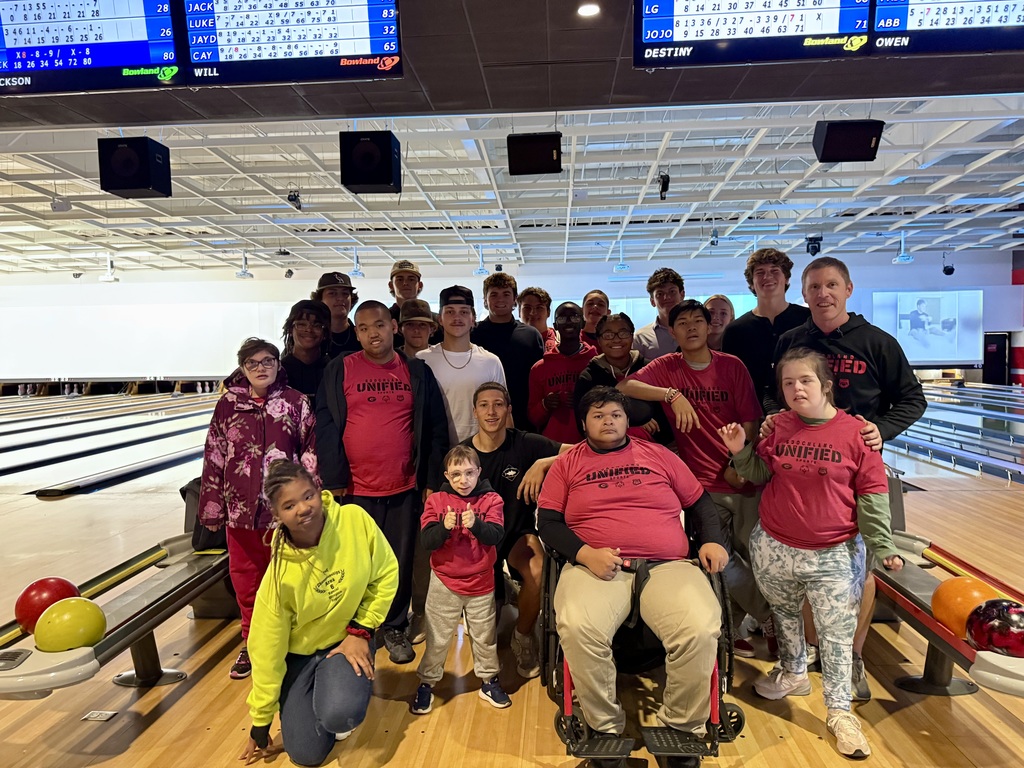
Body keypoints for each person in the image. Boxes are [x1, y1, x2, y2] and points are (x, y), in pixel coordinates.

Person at [719, 349, 903, 760]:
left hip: (833, 553)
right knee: (784, 615)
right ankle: (794, 673)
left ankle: (839, 712)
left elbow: (872, 497)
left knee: (836, 635)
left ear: (825, 385)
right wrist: (739, 450)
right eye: (787, 382)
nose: (795, 389)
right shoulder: (779, 425)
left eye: (804, 380)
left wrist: (883, 545)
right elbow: (761, 473)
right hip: (775, 545)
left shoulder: (858, 434)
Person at [538, 387, 729, 768]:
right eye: (597, 415)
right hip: (596, 565)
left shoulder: (659, 455)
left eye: (614, 414)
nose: (607, 421)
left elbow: (700, 502)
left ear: (627, 420)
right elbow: (549, 523)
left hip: (667, 564)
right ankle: (604, 728)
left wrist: (712, 541)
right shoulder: (567, 464)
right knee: (576, 626)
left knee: (701, 627)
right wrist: (585, 554)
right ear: (583, 423)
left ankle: (680, 729)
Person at [769, 256, 926, 700]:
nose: (823, 294)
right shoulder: (791, 340)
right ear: (803, 293)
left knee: (862, 568)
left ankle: (853, 655)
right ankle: (818, 650)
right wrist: (771, 419)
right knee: (802, 566)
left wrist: (884, 428)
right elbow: (772, 391)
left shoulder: (877, 342)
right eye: (814, 286)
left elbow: (913, 399)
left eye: (831, 285)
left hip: (858, 473)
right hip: (802, 472)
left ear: (848, 289)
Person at [617, 300, 772, 658]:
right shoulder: (668, 367)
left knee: (757, 558)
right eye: (682, 323)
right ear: (672, 332)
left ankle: (735, 630)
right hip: (702, 484)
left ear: (709, 326)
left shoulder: (731, 366)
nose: (690, 328)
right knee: (723, 561)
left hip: (743, 479)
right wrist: (672, 394)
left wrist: (740, 460)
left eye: (697, 321)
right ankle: (772, 617)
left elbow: (750, 418)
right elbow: (625, 387)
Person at [315, 300, 449, 665]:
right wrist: (334, 478)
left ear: (394, 326)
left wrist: (430, 480)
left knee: (398, 560)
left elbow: (435, 428)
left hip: (404, 485)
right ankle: (355, 626)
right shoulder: (339, 369)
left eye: (379, 325)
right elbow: (325, 426)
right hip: (353, 488)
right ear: (356, 332)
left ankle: (393, 625)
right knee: (354, 560)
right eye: (363, 327)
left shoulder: (416, 372)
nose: (372, 333)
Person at [239, 460, 398, 768]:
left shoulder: (353, 520)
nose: (303, 508)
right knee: (304, 754)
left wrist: (361, 630)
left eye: (308, 495)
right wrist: (260, 719)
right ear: (276, 515)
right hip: (299, 656)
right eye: (289, 505)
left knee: (341, 713)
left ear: (318, 490)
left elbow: (386, 573)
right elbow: (266, 649)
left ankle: (338, 695)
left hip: (347, 638)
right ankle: (317, 695)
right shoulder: (278, 575)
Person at [199, 338, 318, 680]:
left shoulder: (296, 402)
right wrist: (211, 507)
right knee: (247, 580)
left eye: (268, 361)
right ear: (242, 368)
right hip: (239, 510)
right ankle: (252, 644)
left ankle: (291, 641)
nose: (261, 367)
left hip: (285, 513)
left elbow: (311, 453)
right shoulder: (227, 406)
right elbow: (214, 455)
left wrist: (313, 500)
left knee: (288, 579)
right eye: (253, 363)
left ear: (279, 364)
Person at [464, 382, 569, 679]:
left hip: (516, 534)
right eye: (484, 405)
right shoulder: (463, 454)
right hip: (478, 542)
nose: (491, 411)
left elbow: (582, 451)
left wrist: (544, 462)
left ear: (509, 410)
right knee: (482, 637)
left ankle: (523, 635)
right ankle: (499, 593)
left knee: (537, 571)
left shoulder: (525, 443)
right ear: (474, 412)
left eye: (498, 404)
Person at [412, 445, 511, 714]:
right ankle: (426, 683)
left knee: (484, 636)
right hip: (444, 582)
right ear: (447, 475)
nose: (463, 480)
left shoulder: (492, 500)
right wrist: (444, 528)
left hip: (481, 582)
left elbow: (495, 536)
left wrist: (475, 525)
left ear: (479, 472)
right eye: (456, 474)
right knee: (438, 637)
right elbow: (426, 541)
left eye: (469, 473)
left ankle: (489, 680)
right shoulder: (436, 501)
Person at [722, 248, 811, 411]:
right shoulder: (735, 331)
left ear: (787, 279)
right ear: (751, 283)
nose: (767, 277)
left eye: (774, 271)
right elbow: (731, 382)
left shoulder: (808, 320)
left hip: (804, 412)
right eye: (760, 272)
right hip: (752, 417)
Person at [418, 285, 506, 444]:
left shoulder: (490, 362)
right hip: (436, 452)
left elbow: (503, 413)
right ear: (440, 319)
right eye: (450, 311)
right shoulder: (423, 360)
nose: (457, 318)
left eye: (464, 312)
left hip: (482, 452)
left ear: (473, 319)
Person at [574, 312, 670, 444]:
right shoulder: (589, 377)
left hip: (653, 448)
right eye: (608, 335)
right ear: (599, 340)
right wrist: (633, 426)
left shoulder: (650, 369)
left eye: (623, 333)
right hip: (608, 452)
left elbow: (666, 417)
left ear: (632, 336)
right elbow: (583, 425)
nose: (616, 339)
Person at [471, 272, 544, 431]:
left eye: (506, 294)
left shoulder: (531, 335)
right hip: (483, 416)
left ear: (514, 300)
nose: (500, 300)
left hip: (523, 417)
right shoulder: (472, 334)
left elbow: (539, 380)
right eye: (494, 295)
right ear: (485, 301)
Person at [527, 301, 596, 444]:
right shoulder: (539, 368)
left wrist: (581, 401)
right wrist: (546, 404)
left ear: (583, 323)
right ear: (555, 325)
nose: (569, 322)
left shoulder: (596, 363)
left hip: (591, 443)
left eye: (575, 317)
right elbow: (533, 417)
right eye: (562, 318)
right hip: (552, 445)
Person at [280, 299, 330, 408]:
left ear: (325, 333)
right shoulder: (278, 372)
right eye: (301, 324)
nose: (309, 330)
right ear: (290, 330)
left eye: (317, 325)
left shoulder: (334, 370)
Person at [633, 267, 686, 360]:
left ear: (682, 295)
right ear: (652, 301)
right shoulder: (640, 338)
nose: (667, 297)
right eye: (660, 294)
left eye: (672, 291)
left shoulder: (695, 330)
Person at [312, 272, 361, 359]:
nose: (340, 298)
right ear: (320, 299)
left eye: (345, 294)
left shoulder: (361, 336)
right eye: (332, 293)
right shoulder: (312, 337)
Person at [518, 286, 558, 353]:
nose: (532, 313)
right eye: (527, 308)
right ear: (519, 312)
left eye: (539, 308)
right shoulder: (512, 341)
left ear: (548, 312)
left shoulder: (562, 340)